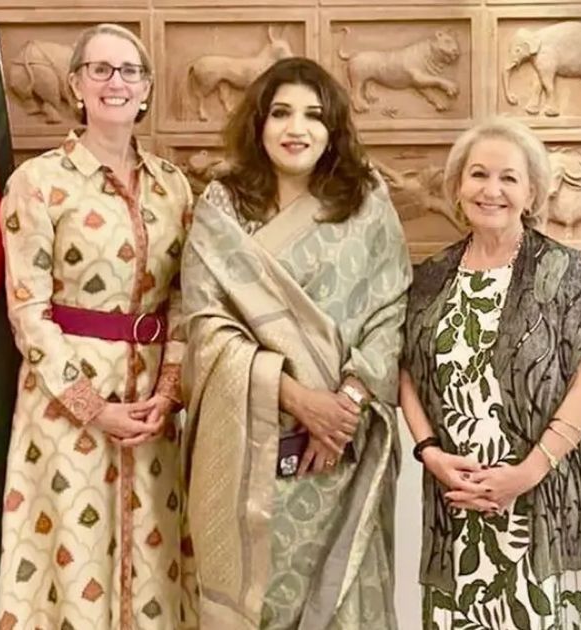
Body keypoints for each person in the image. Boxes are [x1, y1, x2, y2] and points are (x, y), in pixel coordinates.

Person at [178, 57, 410, 629]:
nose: (296, 128)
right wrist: (298, 400)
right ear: (259, 124)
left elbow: (391, 309)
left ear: (332, 129)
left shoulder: (365, 200)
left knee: (344, 602)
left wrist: (345, 406)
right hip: (249, 450)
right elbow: (205, 325)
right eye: (281, 113)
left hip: (342, 448)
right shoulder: (224, 206)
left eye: (313, 115)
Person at [0, 23, 195, 630]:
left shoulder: (174, 187)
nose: (116, 82)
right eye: (100, 69)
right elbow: (28, 311)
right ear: (76, 84)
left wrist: (168, 392)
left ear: (147, 88)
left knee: (155, 561)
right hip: (65, 410)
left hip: (151, 411)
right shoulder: (38, 183)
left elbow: (185, 299)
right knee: (72, 561)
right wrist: (92, 407)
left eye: (129, 71)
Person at [400, 117, 581, 629]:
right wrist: (430, 454)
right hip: (457, 505)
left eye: (508, 178)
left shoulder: (565, 271)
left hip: (541, 500)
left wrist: (528, 471)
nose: (491, 190)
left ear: (531, 193)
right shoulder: (430, 278)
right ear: (458, 186)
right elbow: (406, 372)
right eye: (478, 174)